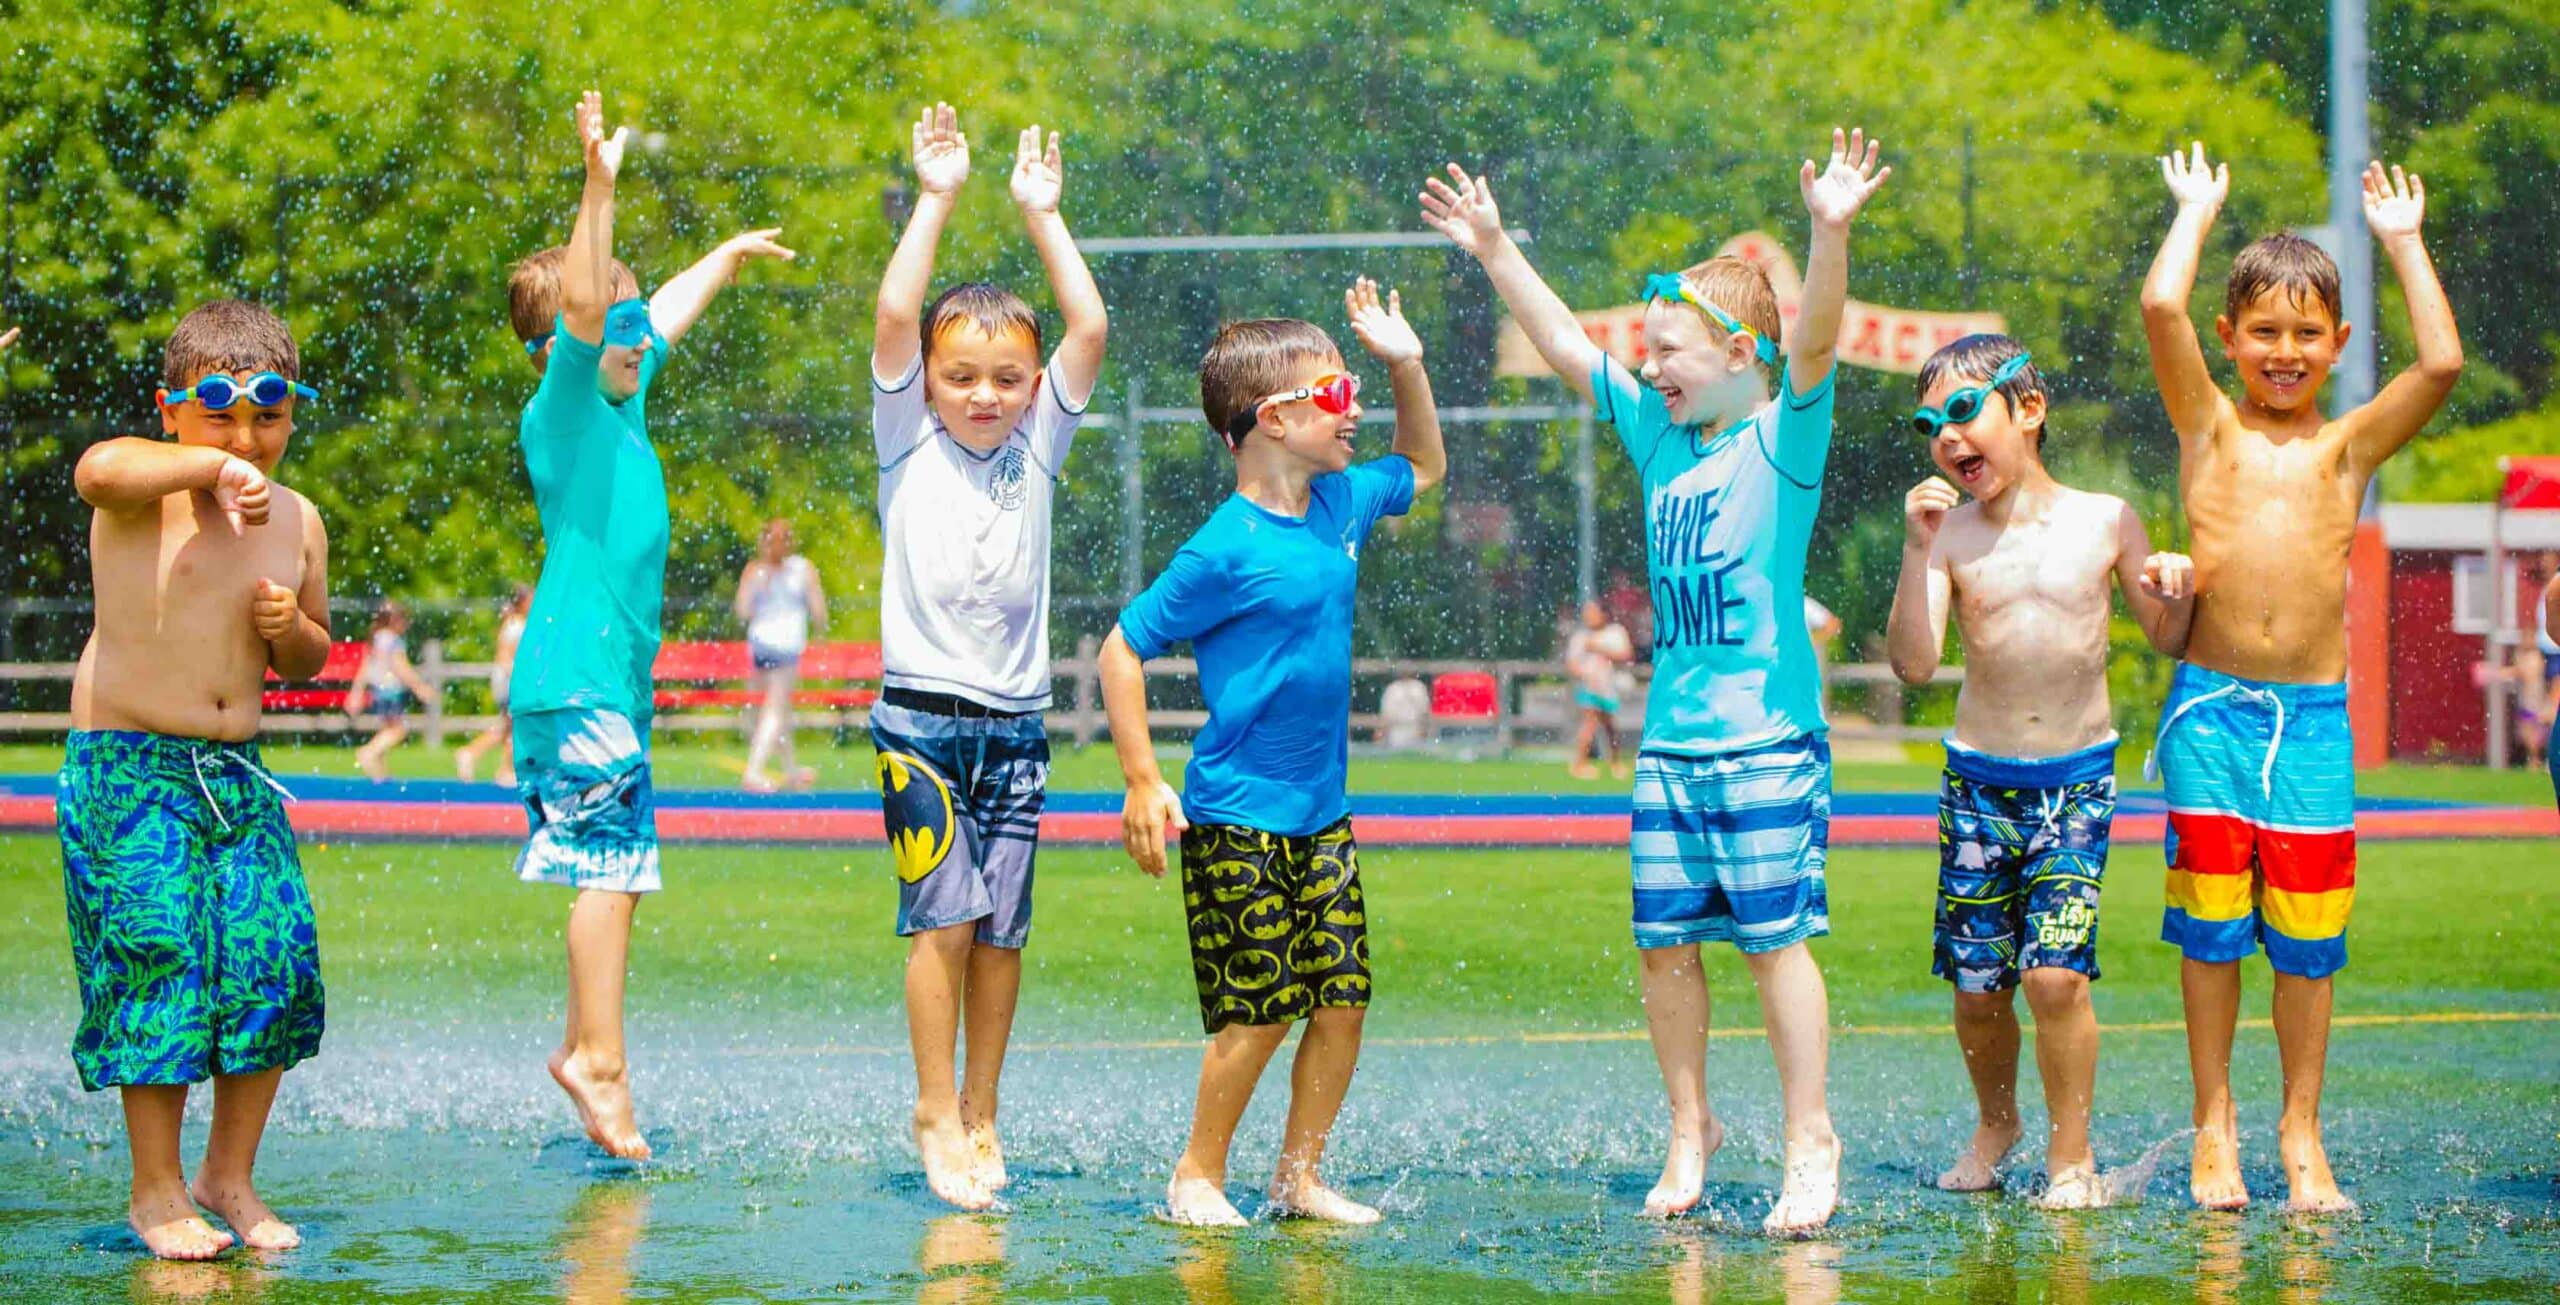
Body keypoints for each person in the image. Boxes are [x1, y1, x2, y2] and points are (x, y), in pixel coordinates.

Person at [1424, 130, 1887, 1232]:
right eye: (1647, 348)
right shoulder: (1658, 441)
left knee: (1776, 943)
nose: (1650, 365)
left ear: (1739, 351)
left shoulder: (1782, 438)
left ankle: (1808, 1135)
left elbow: (1815, 340)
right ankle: (1690, 1126)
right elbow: (1559, 340)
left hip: (1767, 739)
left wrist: (1827, 232)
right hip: (1669, 747)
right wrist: (1493, 248)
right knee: (1663, 944)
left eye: (1668, 348)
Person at [2140, 145, 2462, 1212]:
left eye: (2305, 335)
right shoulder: (2208, 427)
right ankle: (2213, 1123)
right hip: (2210, 716)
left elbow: (2442, 367)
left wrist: (2403, 244)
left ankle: (2300, 1129)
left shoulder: (2347, 452)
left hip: (2312, 726)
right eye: (2264, 333)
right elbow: (2158, 306)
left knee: (2310, 945)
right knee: (2210, 927)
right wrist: (2194, 212)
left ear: (2337, 345)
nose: (2284, 352)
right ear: (2230, 341)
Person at [1103, 278, 1444, 1227]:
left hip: (1320, 814)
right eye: (1336, 394)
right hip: (1235, 813)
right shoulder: (1221, 548)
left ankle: (1297, 1178)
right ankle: (1197, 1176)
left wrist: (1405, 362)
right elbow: (1121, 650)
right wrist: (1141, 778)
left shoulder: (1341, 503)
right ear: (1272, 419)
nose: (1355, 411)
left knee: (1341, 1000)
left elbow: (1422, 464)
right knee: (1261, 1006)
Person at [503, 89, 794, 1162]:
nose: (633, 328)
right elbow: (593, 304)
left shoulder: (624, 397)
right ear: (561, 348)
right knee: (610, 867)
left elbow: (652, 311)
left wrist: (720, 252)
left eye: (632, 318)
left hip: (596, 684)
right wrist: (600, 184)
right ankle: (599, 1062)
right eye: (606, 319)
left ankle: (586, 1046)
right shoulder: (567, 406)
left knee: (611, 862)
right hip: (575, 679)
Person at [1884, 334, 2198, 1210]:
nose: (1947, 438)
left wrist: (2177, 585)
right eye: (1929, 424)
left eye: (1961, 411)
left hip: (2076, 783)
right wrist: (1916, 552)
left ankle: (2072, 1152)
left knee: (2054, 974)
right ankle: (1998, 1119)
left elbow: (2169, 636)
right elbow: (1914, 664)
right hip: (1979, 786)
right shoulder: (1951, 539)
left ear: (2029, 408)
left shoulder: (2106, 518)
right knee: (1981, 987)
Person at [868, 103, 1107, 1210]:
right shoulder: (906, 437)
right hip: (917, 722)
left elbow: (1089, 328)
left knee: (1001, 932)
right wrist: (937, 198)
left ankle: (982, 1110)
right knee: (944, 919)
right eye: (961, 375)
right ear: (924, 380)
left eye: (1005, 378)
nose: (984, 395)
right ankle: (931, 1108)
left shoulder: (1038, 447)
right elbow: (894, 307)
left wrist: (1041, 215)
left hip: (1014, 727)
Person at [60, 299, 332, 1258]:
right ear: (170, 410)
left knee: (274, 961)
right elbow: (97, 467)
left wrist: (287, 631)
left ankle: (230, 1174)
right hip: (129, 767)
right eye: (221, 415)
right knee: (157, 957)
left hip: (237, 775)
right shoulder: (144, 491)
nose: (249, 439)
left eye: (269, 417)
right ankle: (157, 1189)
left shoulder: (297, 518)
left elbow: (310, 654)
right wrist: (211, 468)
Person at [734, 519, 827, 793]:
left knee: (779, 711)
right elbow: (818, 610)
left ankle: (790, 770)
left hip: (760, 645)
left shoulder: (755, 571)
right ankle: (753, 771)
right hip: (785, 646)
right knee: (774, 710)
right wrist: (819, 630)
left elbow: (742, 611)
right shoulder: (803, 569)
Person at [349, 600, 438, 781]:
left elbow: (365, 668)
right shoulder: (394, 641)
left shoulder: (376, 638)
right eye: (404, 620)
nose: (406, 625)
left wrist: (356, 692)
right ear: (396, 621)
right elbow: (400, 668)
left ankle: (381, 774)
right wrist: (419, 687)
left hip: (377, 690)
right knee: (399, 730)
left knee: (387, 728)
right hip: (391, 689)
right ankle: (368, 752)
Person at [455, 586, 532, 785]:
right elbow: (504, 655)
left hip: (507, 680)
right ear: (522, 602)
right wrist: (519, 679)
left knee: (508, 727)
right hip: (509, 681)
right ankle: (501, 768)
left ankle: (475, 755)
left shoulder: (516, 622)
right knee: (515, 726)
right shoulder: (516, 624)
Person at [1564, 601, 1634, 779]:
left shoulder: (1615, 633)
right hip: (1589, 687)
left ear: (1603, 614)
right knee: (1589, 723)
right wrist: (1585, 676)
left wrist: (1598, 648)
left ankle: (1615, 762)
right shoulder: (1580, 637)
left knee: (1610, 727)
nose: (1589, 617)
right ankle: (1580, 763)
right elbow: (1572, 663)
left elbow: (1625, 655)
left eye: (1593, 612)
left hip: (1609, 688)